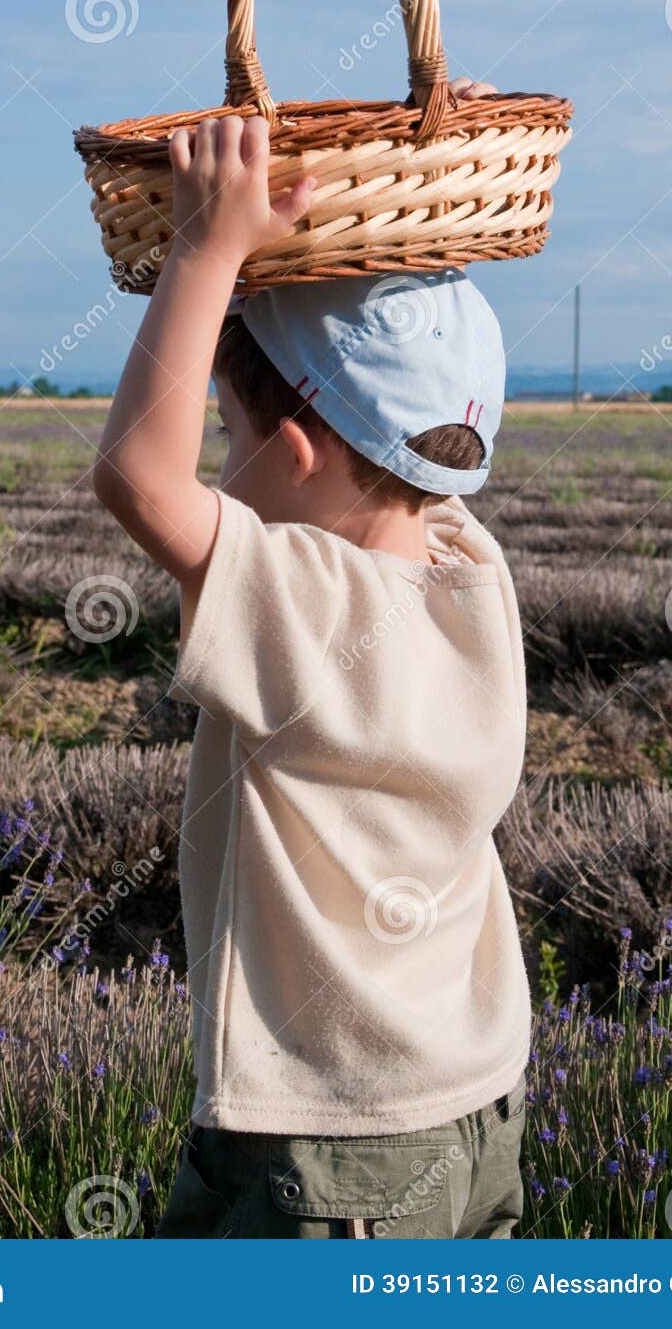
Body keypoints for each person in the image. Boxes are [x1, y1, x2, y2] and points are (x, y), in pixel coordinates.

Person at [92, 82, 529, 1238]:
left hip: (330, 1149)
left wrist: (204, 252)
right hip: (465, 1105)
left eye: (229, 439)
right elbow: (423, 434)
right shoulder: (464, 570)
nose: (217, 463)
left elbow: (138, 479)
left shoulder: (314, 605)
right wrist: (430, 150)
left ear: (290, 449)